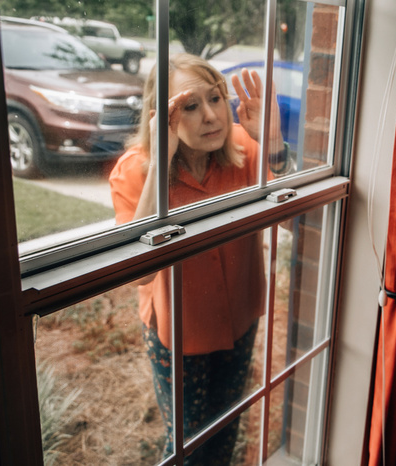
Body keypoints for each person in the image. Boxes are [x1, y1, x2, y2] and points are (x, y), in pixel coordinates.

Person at [109, 53, 290, 464]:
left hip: (240, 318)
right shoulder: (134, 172)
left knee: (227, 428)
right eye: (191, 106)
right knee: (189, 444)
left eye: (216, 99)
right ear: (162, 118)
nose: (212, 116)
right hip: (180, 333)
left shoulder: (243, 149)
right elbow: (135, 274)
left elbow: (300, 217)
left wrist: (274, 143)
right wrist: (160, 161)